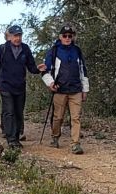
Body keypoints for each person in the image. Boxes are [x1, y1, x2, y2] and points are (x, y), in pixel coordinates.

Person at [0, 24, 45, 149]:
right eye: (15, 36)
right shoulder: (2, 49)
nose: (17, 38)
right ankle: (11, 139)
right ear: (9, 37)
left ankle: (17, 135)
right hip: (5, 85)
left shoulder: (25, 49)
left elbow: (31, 66)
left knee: (18, 112)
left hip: (20, 86)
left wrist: (38, 69)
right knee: (9, 111)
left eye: (19, 35)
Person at [41, 24, 90, 154]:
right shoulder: (53, 51)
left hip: (76, 90)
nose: (68, 38)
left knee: (76, 117)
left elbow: (83, 70)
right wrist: (51, 83)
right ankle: (55, 137)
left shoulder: (77, 50)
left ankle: (75, 144)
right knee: (58, 117)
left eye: (70, 36)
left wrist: (85, 89)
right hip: (60, 90)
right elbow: (45, 70)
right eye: (65, 36)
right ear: (60, 37)